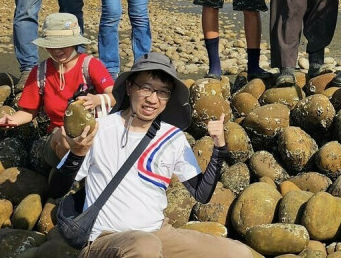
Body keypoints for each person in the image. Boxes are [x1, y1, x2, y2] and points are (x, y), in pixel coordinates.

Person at [48, 52, 251, 258]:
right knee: (145, 247)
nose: (153, 99)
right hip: (106, 238)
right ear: (129, 87)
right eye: (146, 88)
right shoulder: (101, 129)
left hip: (159, 233)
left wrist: (219, 149)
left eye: (163, 92)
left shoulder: (172, 137)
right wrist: (77, 153)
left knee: (239, 253)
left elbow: (201, 194)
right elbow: (56, 188)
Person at [0, 13, 114, 166]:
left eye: (63, 45)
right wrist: (12, 120)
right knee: (64, 137)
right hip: (58, 136)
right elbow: (29, 111)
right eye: (52, 45)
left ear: (74, 42)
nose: (57, 50)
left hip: (93, 133)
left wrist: (97, 99)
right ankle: (73, 176)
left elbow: (114, 95)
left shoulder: (90, 65)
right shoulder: (39, 72)